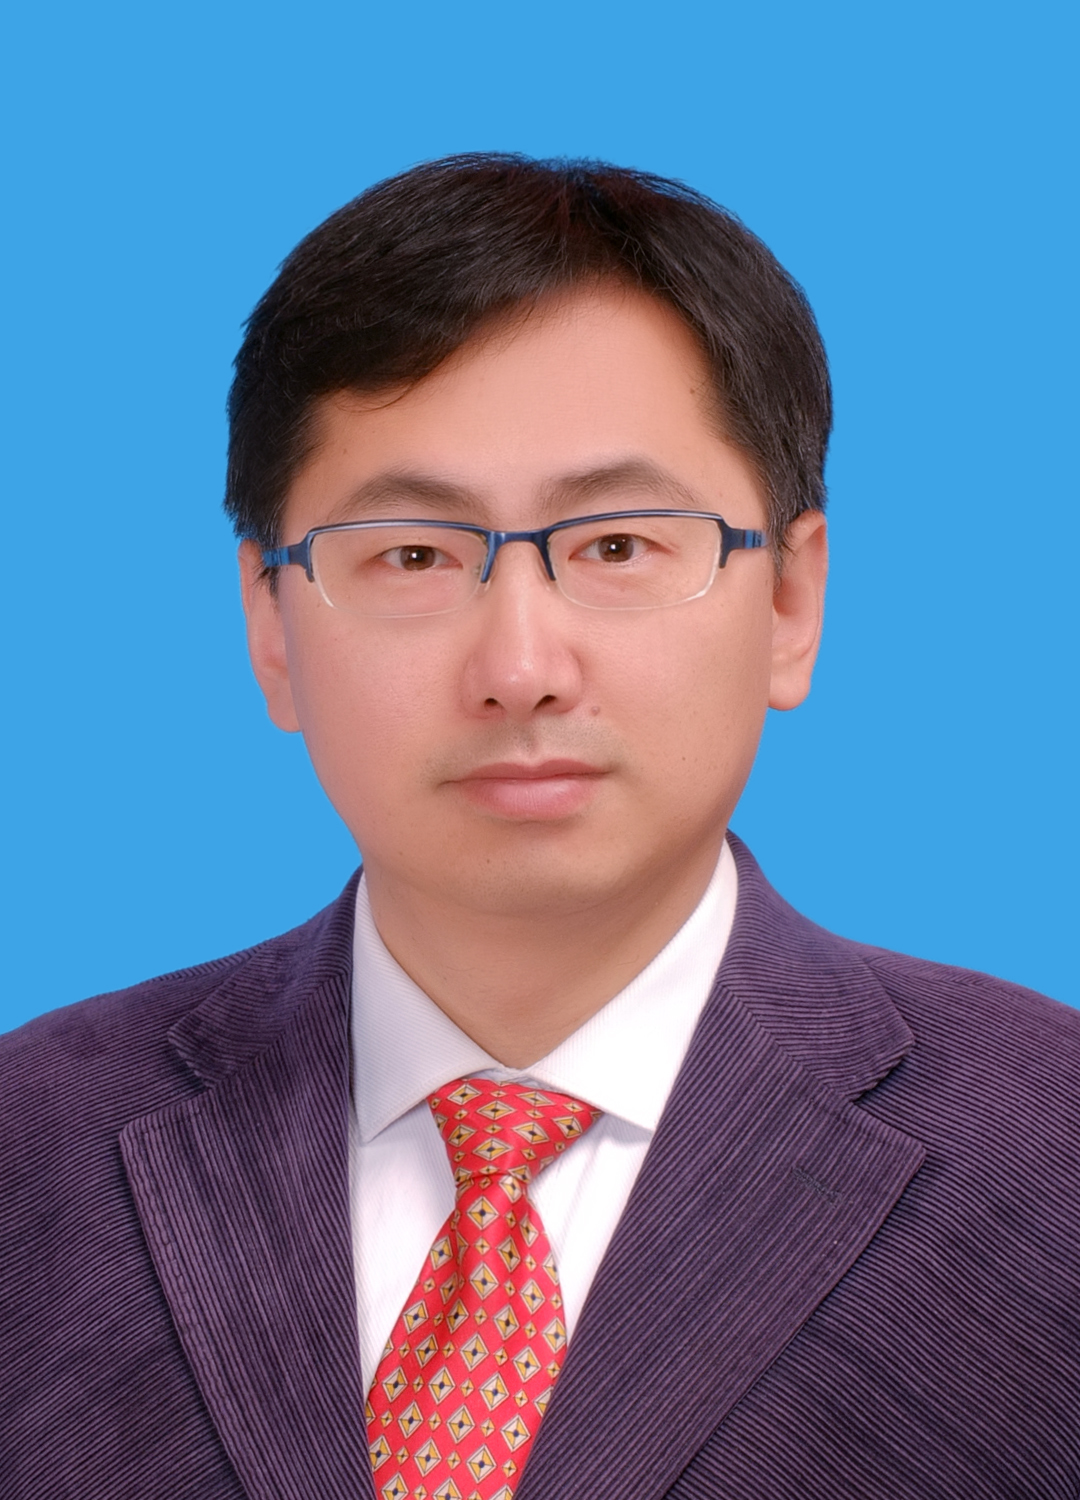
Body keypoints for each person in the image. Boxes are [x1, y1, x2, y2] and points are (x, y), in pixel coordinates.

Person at [2, 153, 1078, 1500]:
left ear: (790, 602)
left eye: (618, 546)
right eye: (413, 555)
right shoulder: (31, 1145)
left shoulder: (1051, 1156)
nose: (520, 668)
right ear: (270, 625)